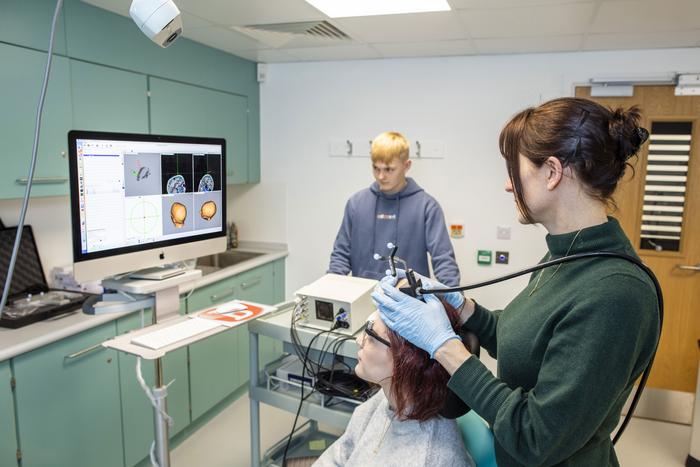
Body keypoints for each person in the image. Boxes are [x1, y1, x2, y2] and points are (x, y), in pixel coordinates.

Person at [372, 97, 660, 467]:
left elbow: (536, 437)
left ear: (552, 172)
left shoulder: (615, 293)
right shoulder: (567, 255)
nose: (509, 185)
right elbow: (520, 337)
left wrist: (444, 346)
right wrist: (463, 306)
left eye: (514, 170)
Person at [313, 304, 474, 467]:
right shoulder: (389, 398)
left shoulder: (427, 459)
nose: (358, 340)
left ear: (407, 360)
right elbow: (340, 454)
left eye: (371, 336)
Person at [328, 131, 460, 286]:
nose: (381, 176)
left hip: (411, 302)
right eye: (376, 168)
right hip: (363, 300)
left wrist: (455, 300)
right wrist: (327, 290)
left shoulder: (427, 207)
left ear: (407, 165)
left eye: (389, 169)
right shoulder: (356, 204)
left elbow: (443, 259)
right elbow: (341, 255)